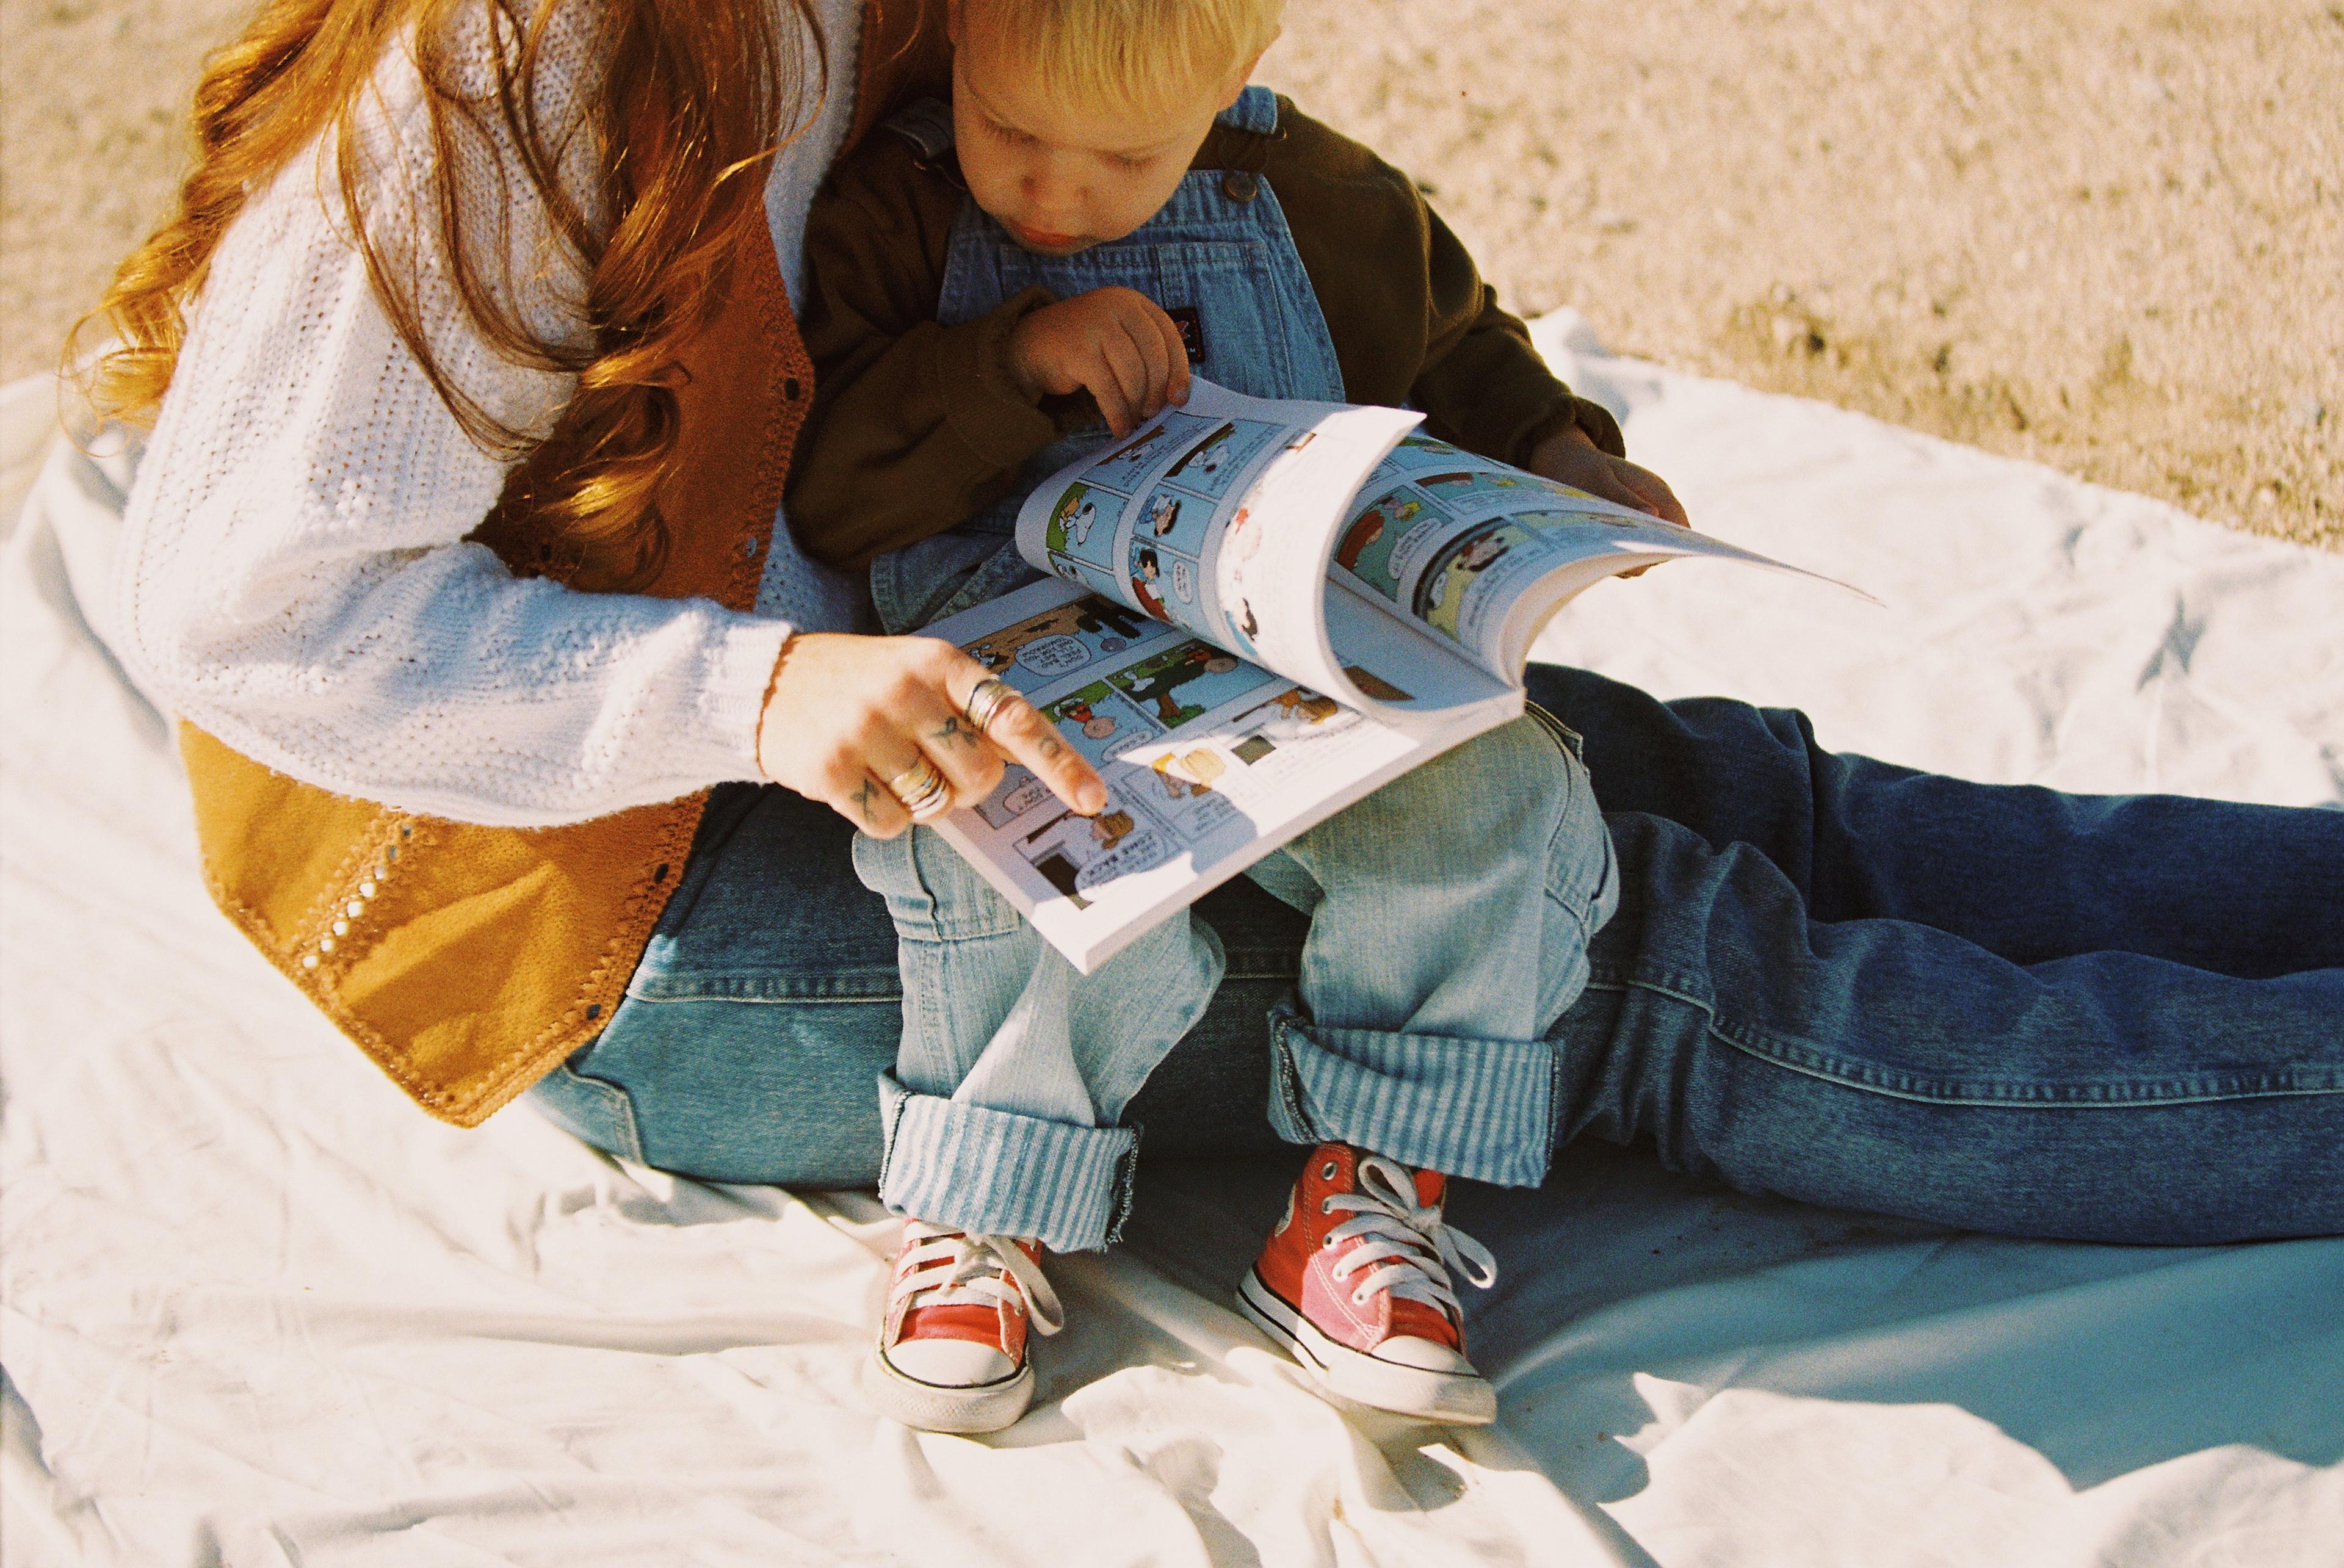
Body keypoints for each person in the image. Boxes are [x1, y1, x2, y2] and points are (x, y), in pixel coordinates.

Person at [82, 0, 2343, 1448]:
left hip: (935, 671)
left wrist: (1509, 455)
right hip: (618, 894)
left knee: (1663, 784)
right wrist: (759, 685)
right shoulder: (520, 58)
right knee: (1637, 949)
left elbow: (1189, 116)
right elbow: (247, 607)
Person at [781, 0, 1682, 1433]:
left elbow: (1466, 351)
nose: (1055, 192)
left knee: (1493, 792)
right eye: (1009, 130)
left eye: (1126, 154)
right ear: (956, 36)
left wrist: (1562, 450)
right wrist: (1005, 366)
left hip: (1286, 664)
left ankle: (1368, 1190)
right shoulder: (894, 210)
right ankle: (988, 1207)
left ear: (1236, 76)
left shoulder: (1330, 200)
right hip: (1017, 669)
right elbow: (823, 481)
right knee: (1006, 840)